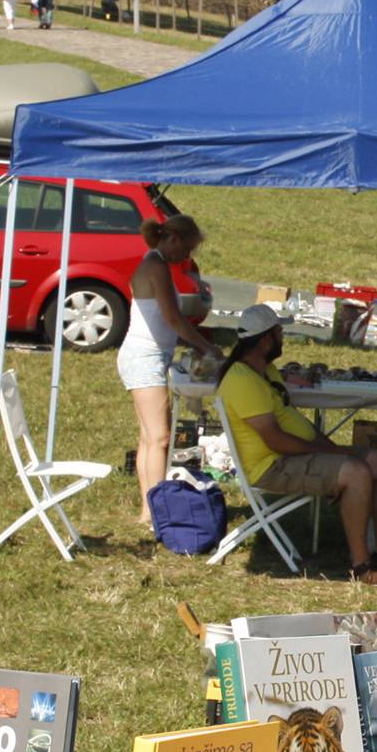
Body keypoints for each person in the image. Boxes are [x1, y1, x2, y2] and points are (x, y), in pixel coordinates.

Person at [220, 304, 377, 585]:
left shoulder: (266, 371)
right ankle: (362, 567)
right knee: (356, 472)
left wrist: (330, 448)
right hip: (273, 465)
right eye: (280, 331)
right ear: (266, 339)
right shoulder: (242, 380)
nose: (283, 337)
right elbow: (275, 439)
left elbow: (293, 422)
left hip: (293, 456)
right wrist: (330, 452)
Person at [119, 214, 219, 529]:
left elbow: (165, 323)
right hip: (144, 356)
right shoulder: (157, 267)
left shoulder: (156, 263)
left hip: (150, 354)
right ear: (173, 239)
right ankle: (154, 508)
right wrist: (207, 347)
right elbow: (173, 318)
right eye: (187, 249)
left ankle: (150, 510)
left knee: (150, 437)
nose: (186, 257)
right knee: (160, 437)